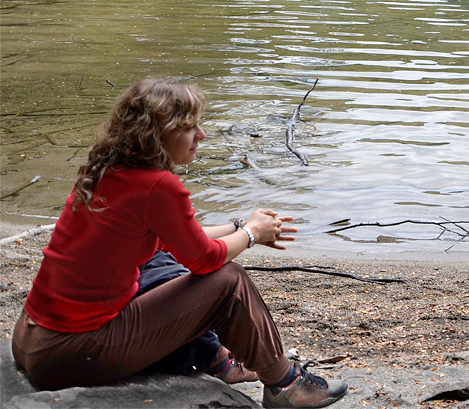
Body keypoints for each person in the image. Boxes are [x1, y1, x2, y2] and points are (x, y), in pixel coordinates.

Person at [10, 78, 349, 408]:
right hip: (70, 353)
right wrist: (250, 236)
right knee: (228, 281)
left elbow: (173, 242)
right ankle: (285, 385)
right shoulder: (158, 186)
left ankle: (216, 361)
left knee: (160, 264)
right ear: (155, 134)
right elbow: (204, 260)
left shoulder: (106, 168)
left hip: (31, 340)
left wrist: (239, 226)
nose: (201, 135)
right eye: (189, 127)